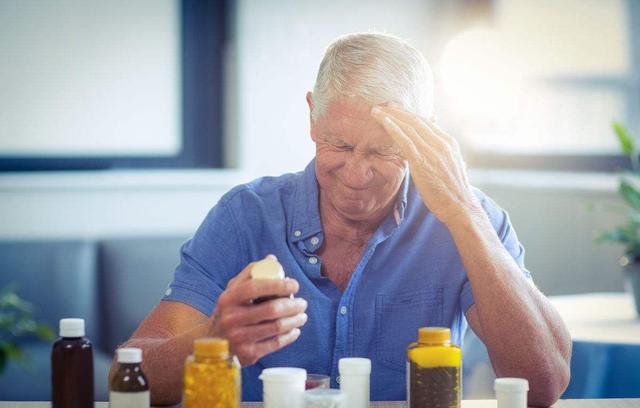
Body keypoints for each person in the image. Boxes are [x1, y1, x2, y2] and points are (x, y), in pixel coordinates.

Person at [112, 32, 571, 406]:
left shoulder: (471, 220)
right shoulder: (244, 217)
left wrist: (464, 214)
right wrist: (214, 340)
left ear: (426, 136)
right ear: (312, 116)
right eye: (340, 145)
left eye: (382, 151)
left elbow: (544, 382)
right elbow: (128, 377)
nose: (356, 175)